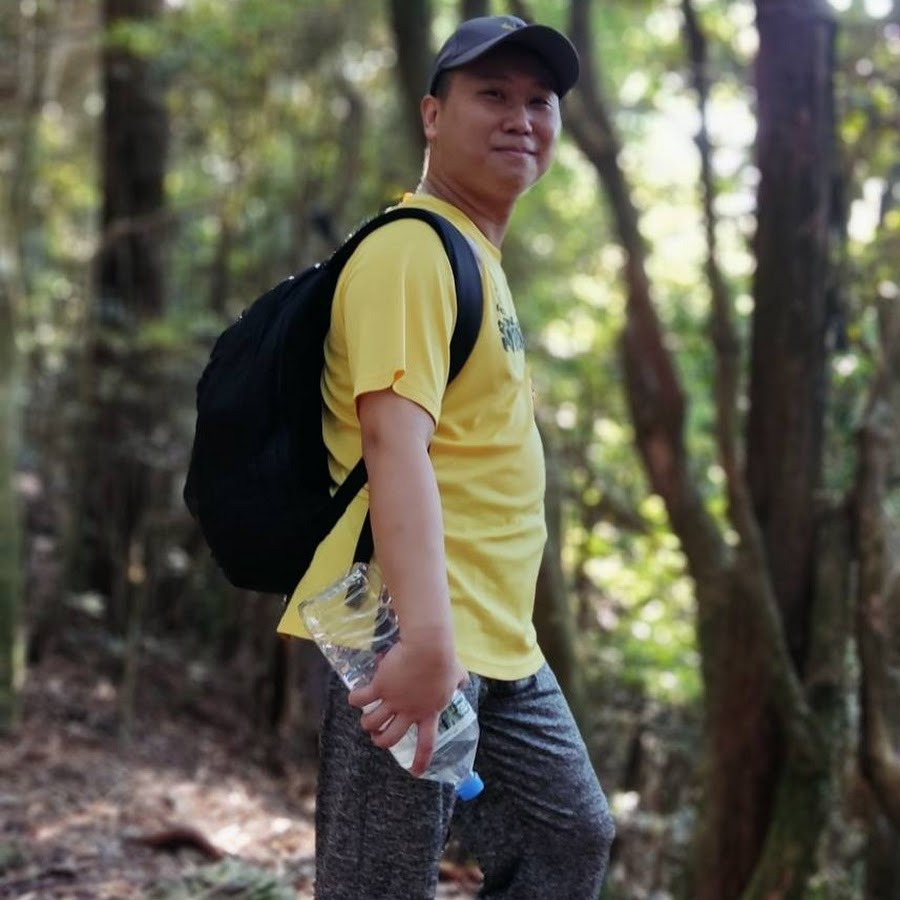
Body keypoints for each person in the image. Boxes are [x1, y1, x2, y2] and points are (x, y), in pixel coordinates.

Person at [277, 14, 615, 899]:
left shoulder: (475, 257)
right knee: (379, 883)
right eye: (492, 95)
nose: (521, 118)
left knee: (568, 839)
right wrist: (426, 641)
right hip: (402, 624)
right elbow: (394, 443)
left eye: (539, 101)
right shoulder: (411, 250)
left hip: (498, 636)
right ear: (432, 114)